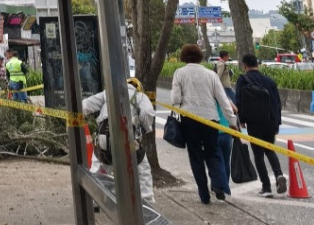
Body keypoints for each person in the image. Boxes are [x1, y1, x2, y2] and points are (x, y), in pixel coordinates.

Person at [171, 43, 235, 204]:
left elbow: (175, 99)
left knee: (195, 156)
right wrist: (232, 121)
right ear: (200, 56)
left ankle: (204, 195)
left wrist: (178, 110)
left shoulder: (180, 73)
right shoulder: (210, 75)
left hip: (189, 119)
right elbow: (223, 99)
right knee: (212, 152)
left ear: (184, 57)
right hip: (211, 119)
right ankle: (219, 185)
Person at [82, 77, 156, 203]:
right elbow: (147, 113)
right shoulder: (140, 96)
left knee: (100, 166)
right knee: (141, 167)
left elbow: (85, 105)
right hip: (128, 138)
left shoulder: (107, 94)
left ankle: (94, 199)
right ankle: (147, 200)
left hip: (104, 136)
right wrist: (146, 128)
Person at [235, 53, 287, 198]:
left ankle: (266, 187)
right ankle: (278, 175)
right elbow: (277, 103)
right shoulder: (269, 81)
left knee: (258, 154)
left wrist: (241, 120)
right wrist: (277, 122)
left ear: (244, 65)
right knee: (270, 150)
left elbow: (238, 101)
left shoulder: (243, 80)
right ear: (257, 64)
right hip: (270, 121)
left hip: (254, 122)